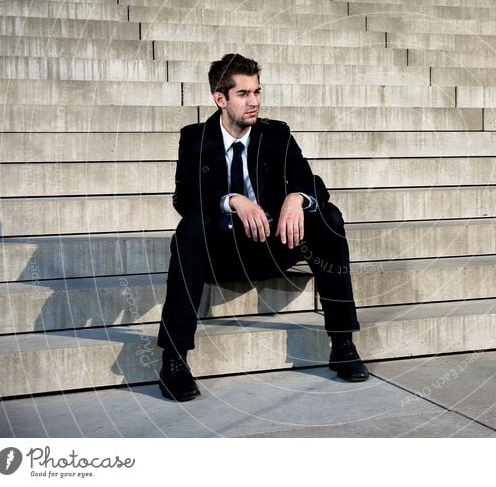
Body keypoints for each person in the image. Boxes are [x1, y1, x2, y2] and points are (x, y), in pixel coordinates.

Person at [156, 53, 368, 401]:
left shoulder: (276, 134)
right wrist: (232, 200)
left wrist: (296, 198)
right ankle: (174, 358)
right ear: (220, 99)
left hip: (274, 245)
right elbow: (185, 199)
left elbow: (313, 183)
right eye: (243, 94)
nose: (254, 101)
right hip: (223, 254)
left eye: (257, 91)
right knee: (189, 230)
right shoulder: (195, 138)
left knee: (328, 217)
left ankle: (342, 342)